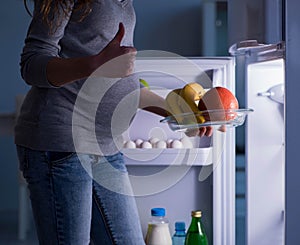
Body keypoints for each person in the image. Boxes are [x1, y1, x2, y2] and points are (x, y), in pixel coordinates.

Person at [15, 0, 213, 244]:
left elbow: (119, 78)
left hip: (106, 146)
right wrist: (94, 65)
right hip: (64, 143)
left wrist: (179, 112)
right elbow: (32, 64)